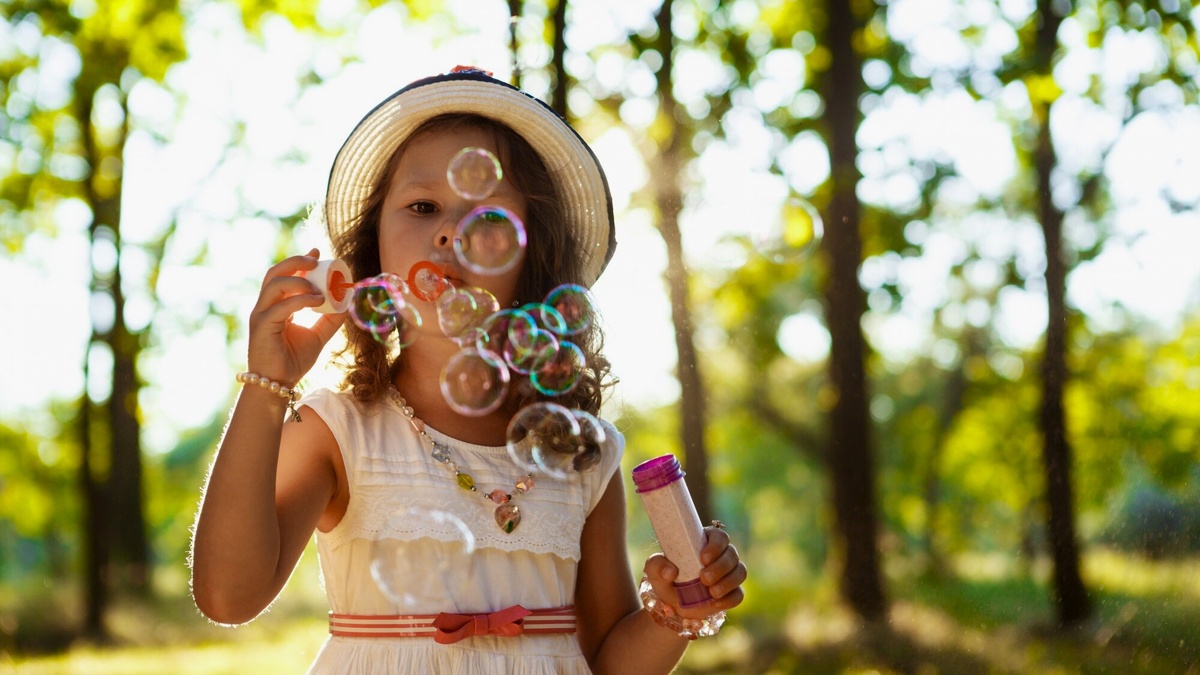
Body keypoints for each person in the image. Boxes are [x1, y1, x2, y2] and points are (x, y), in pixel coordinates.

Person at [190, 67, 747, 674]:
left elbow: (610, 662)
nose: (451, 230)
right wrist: (269, 387)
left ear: (532, 256)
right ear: (373, 250)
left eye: (487, 218)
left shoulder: (580, 456)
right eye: (423, 206)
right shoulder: (339, 432)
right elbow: (228, 595)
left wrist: (677, 611)